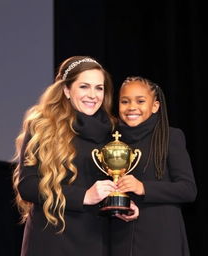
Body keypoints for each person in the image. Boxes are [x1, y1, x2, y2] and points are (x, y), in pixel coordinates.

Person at [12, 56, 138, 256]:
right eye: (84, 87)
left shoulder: (114, 131)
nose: (93, 95)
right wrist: (84, 196)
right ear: (66, 90)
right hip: (52, 239)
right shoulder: (42, 125)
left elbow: (116, 181)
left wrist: (124, 203)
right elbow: (27, 186)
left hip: (97, 241)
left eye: (99, 88)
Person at [110, 76, 197, 256]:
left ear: (155, 106)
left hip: (161, 238)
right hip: (120, 237)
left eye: (140, 101)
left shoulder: (170, 137)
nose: (132, 107)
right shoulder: (111, 141)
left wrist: (143, 187)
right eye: (124, 101)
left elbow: (188, 189)